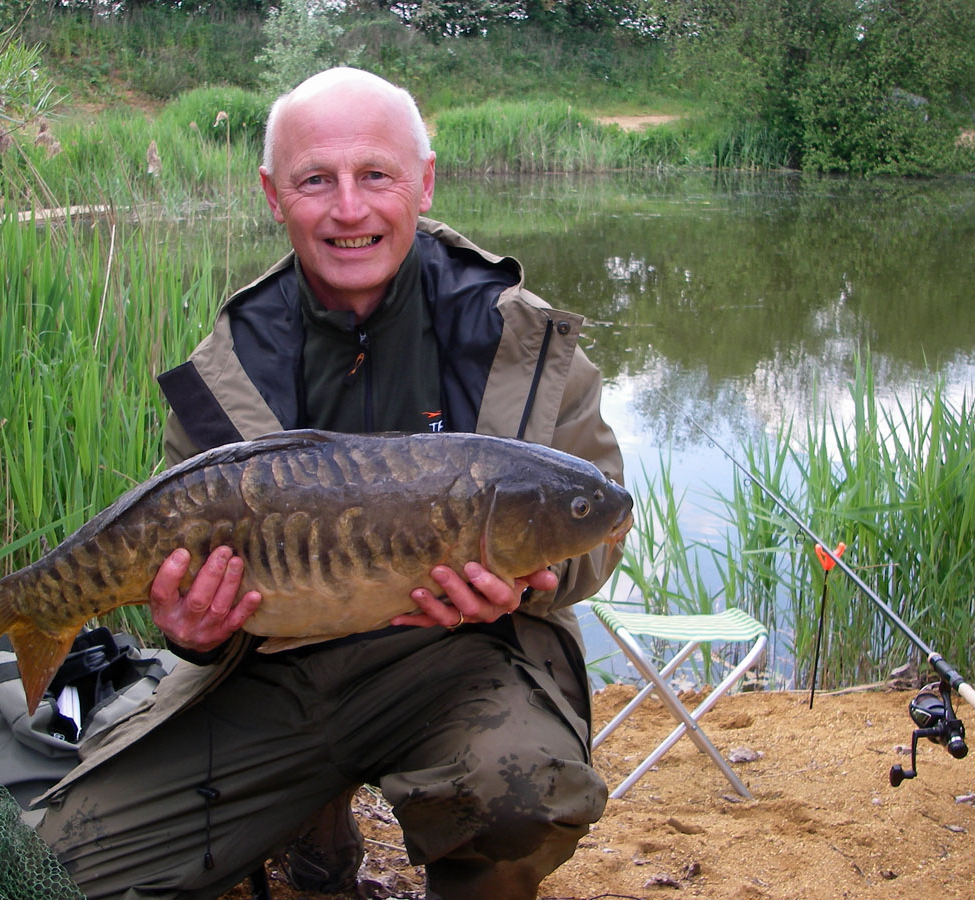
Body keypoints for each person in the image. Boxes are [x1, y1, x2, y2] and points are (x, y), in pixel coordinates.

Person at [37, 67, 626, 900]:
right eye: (317, 180)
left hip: (465, 661)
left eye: (376, 175)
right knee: (51, 869)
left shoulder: (523, 342)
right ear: (275, 196)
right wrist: (190, 630)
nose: (349, 209)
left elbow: (599, 526)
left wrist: (539, 578)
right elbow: (184, 594)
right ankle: (310, 827)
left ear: (423, 182)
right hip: (271, 669)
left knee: (522, 794)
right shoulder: (225, 372)